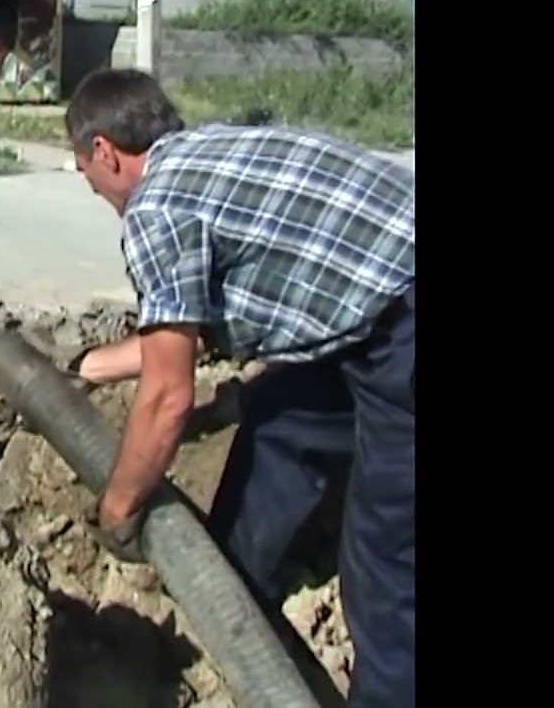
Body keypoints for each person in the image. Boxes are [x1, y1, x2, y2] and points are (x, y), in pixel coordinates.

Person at [59, 68, 414, 707]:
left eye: (87, 173)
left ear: (105, 151)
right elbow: (185, 326)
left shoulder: (157, 207)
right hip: (374, 319)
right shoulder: (215, 152)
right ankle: (238, 598)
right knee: (280, 416)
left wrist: (117, 509)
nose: (93, 187)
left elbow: (168, 396)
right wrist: (90, 367)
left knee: (386, 563)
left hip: (402, 332)